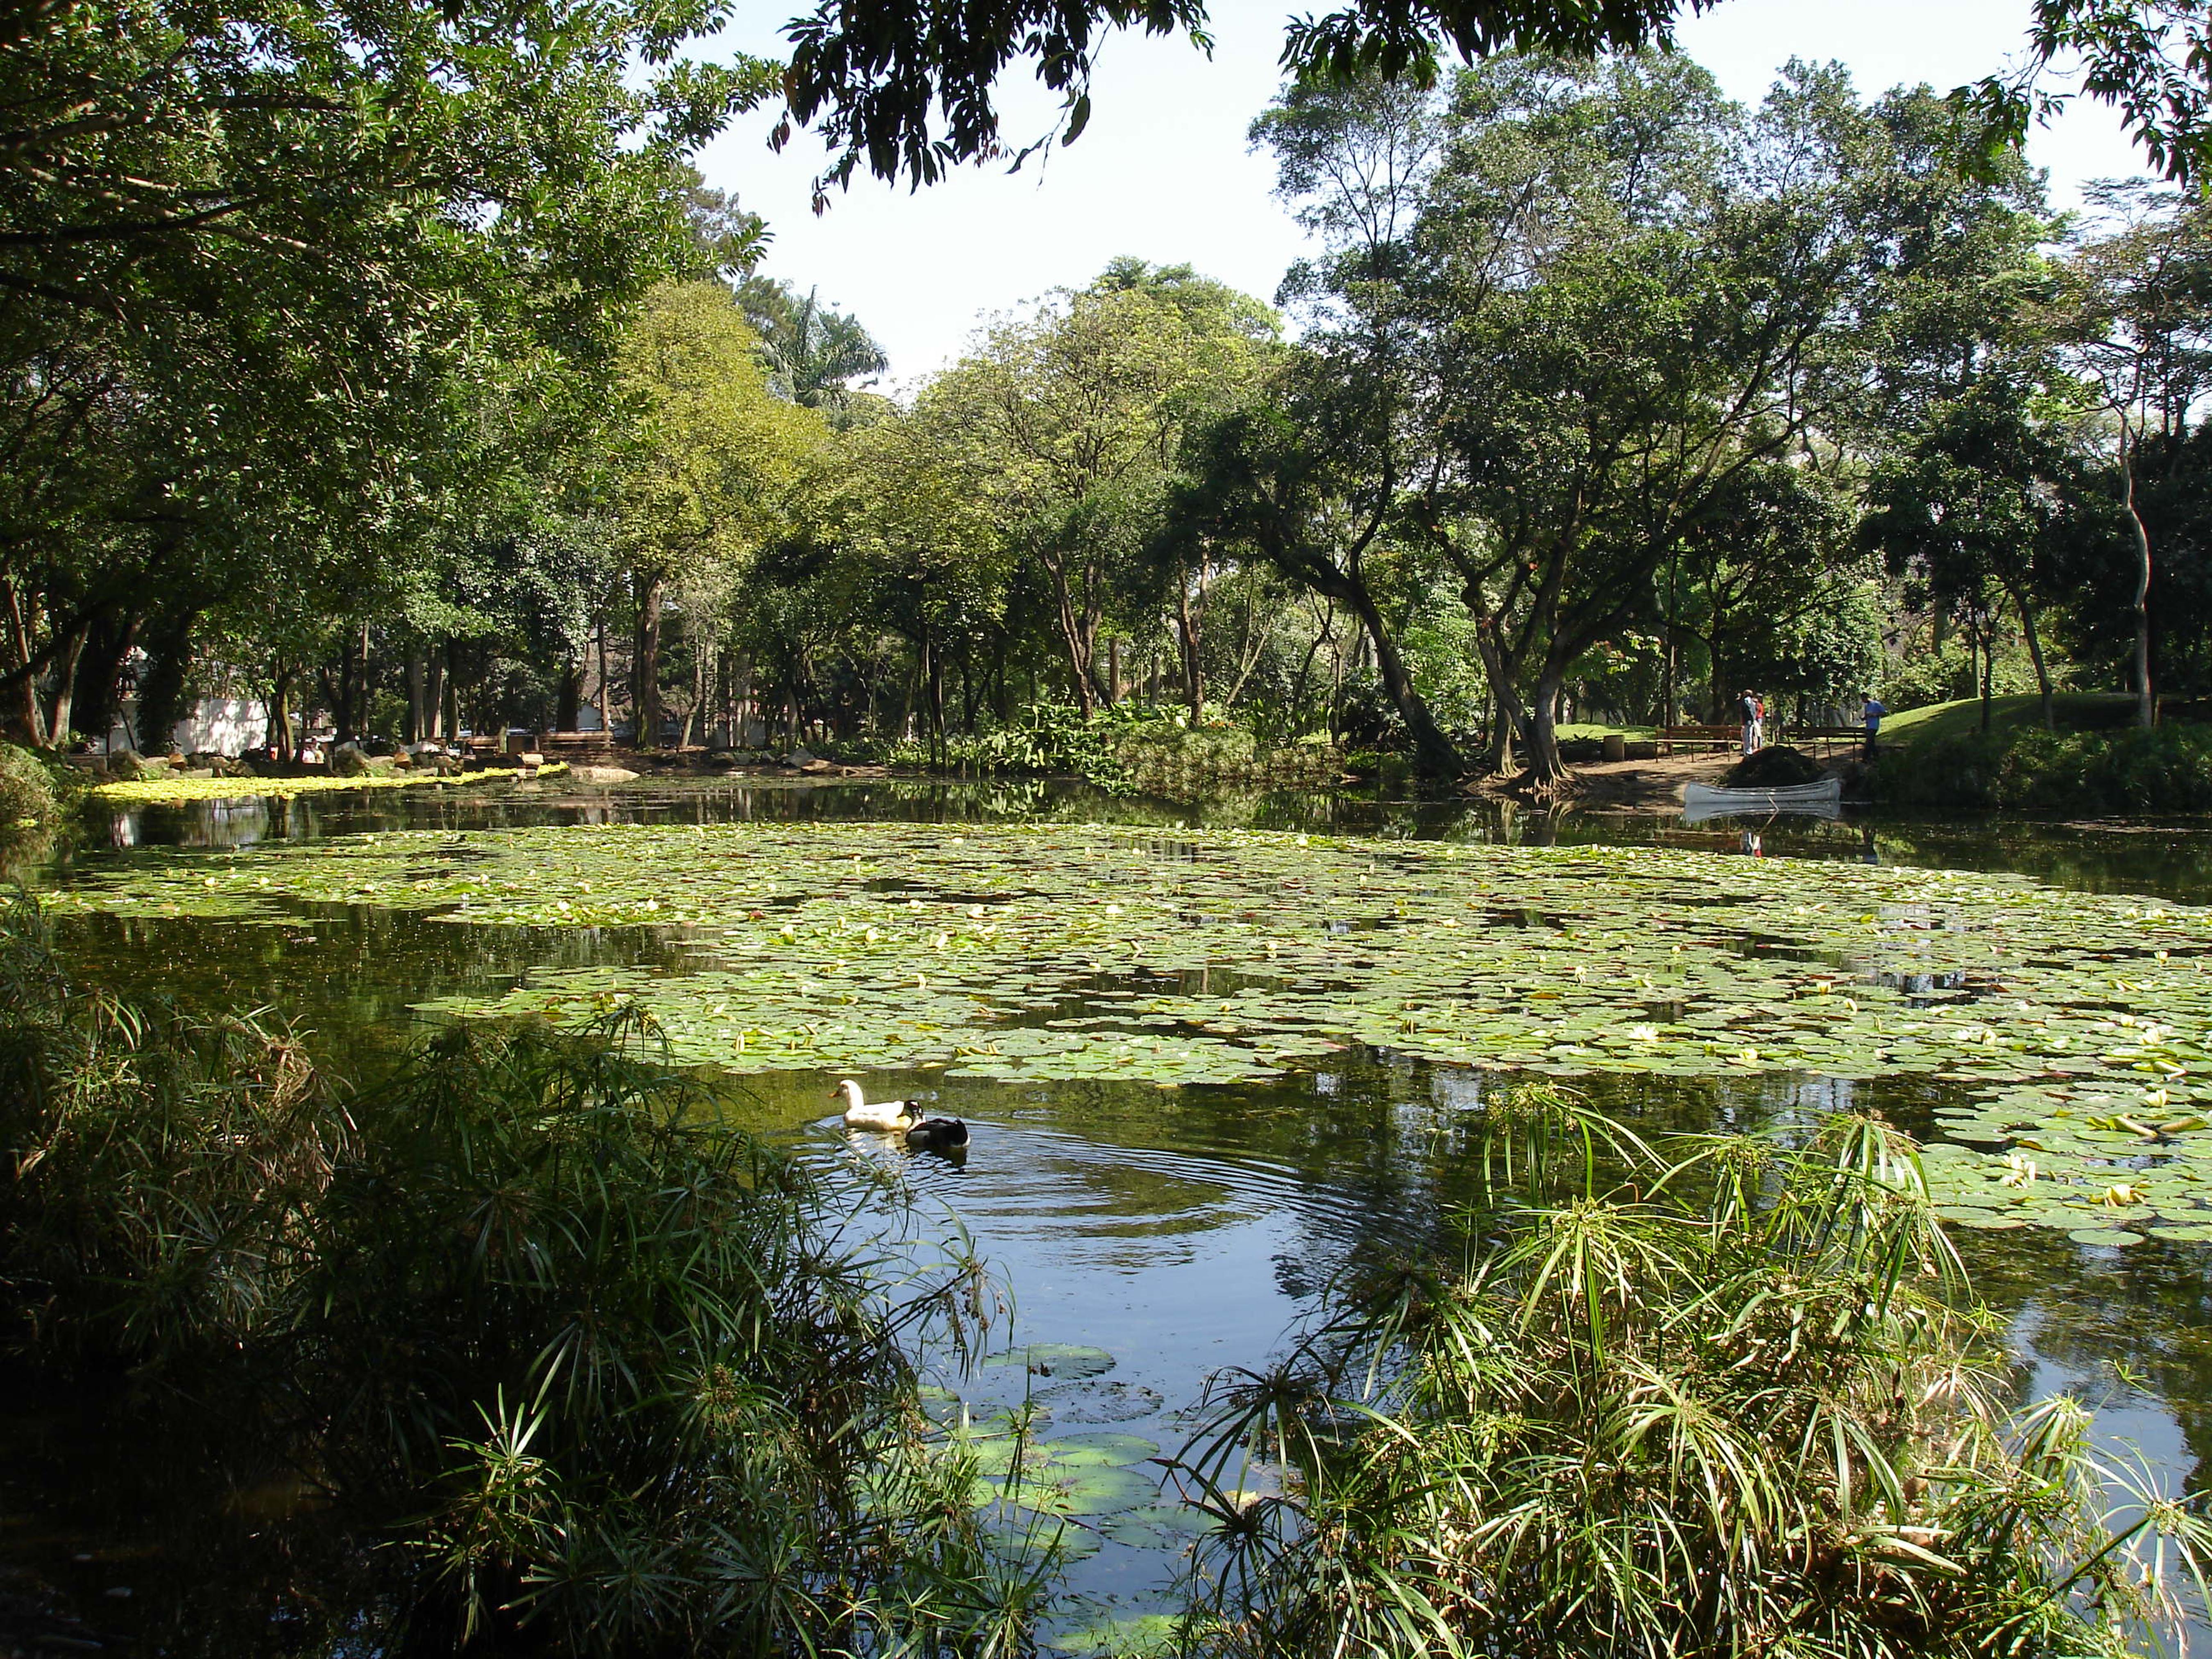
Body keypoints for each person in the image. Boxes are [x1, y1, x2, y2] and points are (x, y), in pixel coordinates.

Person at [1861, 694, 1886, 762]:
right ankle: (1876, 757)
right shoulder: (1867, 706)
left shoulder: (1876, 704)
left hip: (1874, 726)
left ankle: (1865, 758)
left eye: (1863, 699)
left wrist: (1875, 715)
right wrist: (1864, 718)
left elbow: (1884, 712)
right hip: (1868, 726)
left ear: (1867, 698)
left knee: (1869, 742)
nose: (1863, 701)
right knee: (1871, 742)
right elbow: (1867, 716)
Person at [1737, 689, 1762, 757]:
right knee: (1749, 736)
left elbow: (1750, 710)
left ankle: (1748, 752)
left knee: (1747, 737)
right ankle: (1748, 751)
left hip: (1748, 721)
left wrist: (1752, 719)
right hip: (1750, 721)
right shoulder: (1751, 701)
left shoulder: (1746, 701)